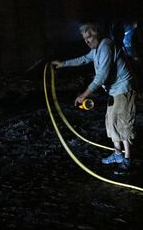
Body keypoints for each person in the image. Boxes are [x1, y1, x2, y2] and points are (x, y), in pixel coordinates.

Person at [52, 23, 136, 171]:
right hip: (113, 91)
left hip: (123, 89)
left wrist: (83, 95)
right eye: (84, 38)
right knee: (111, 123)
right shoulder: (96, 49)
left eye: (89, 37)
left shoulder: (106, 46)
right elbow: (84, 59)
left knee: (122, 123)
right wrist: (63, 64)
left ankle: (127, 159)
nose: (87, 41)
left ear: (97, 34)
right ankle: (118, 154)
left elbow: (101, 77)